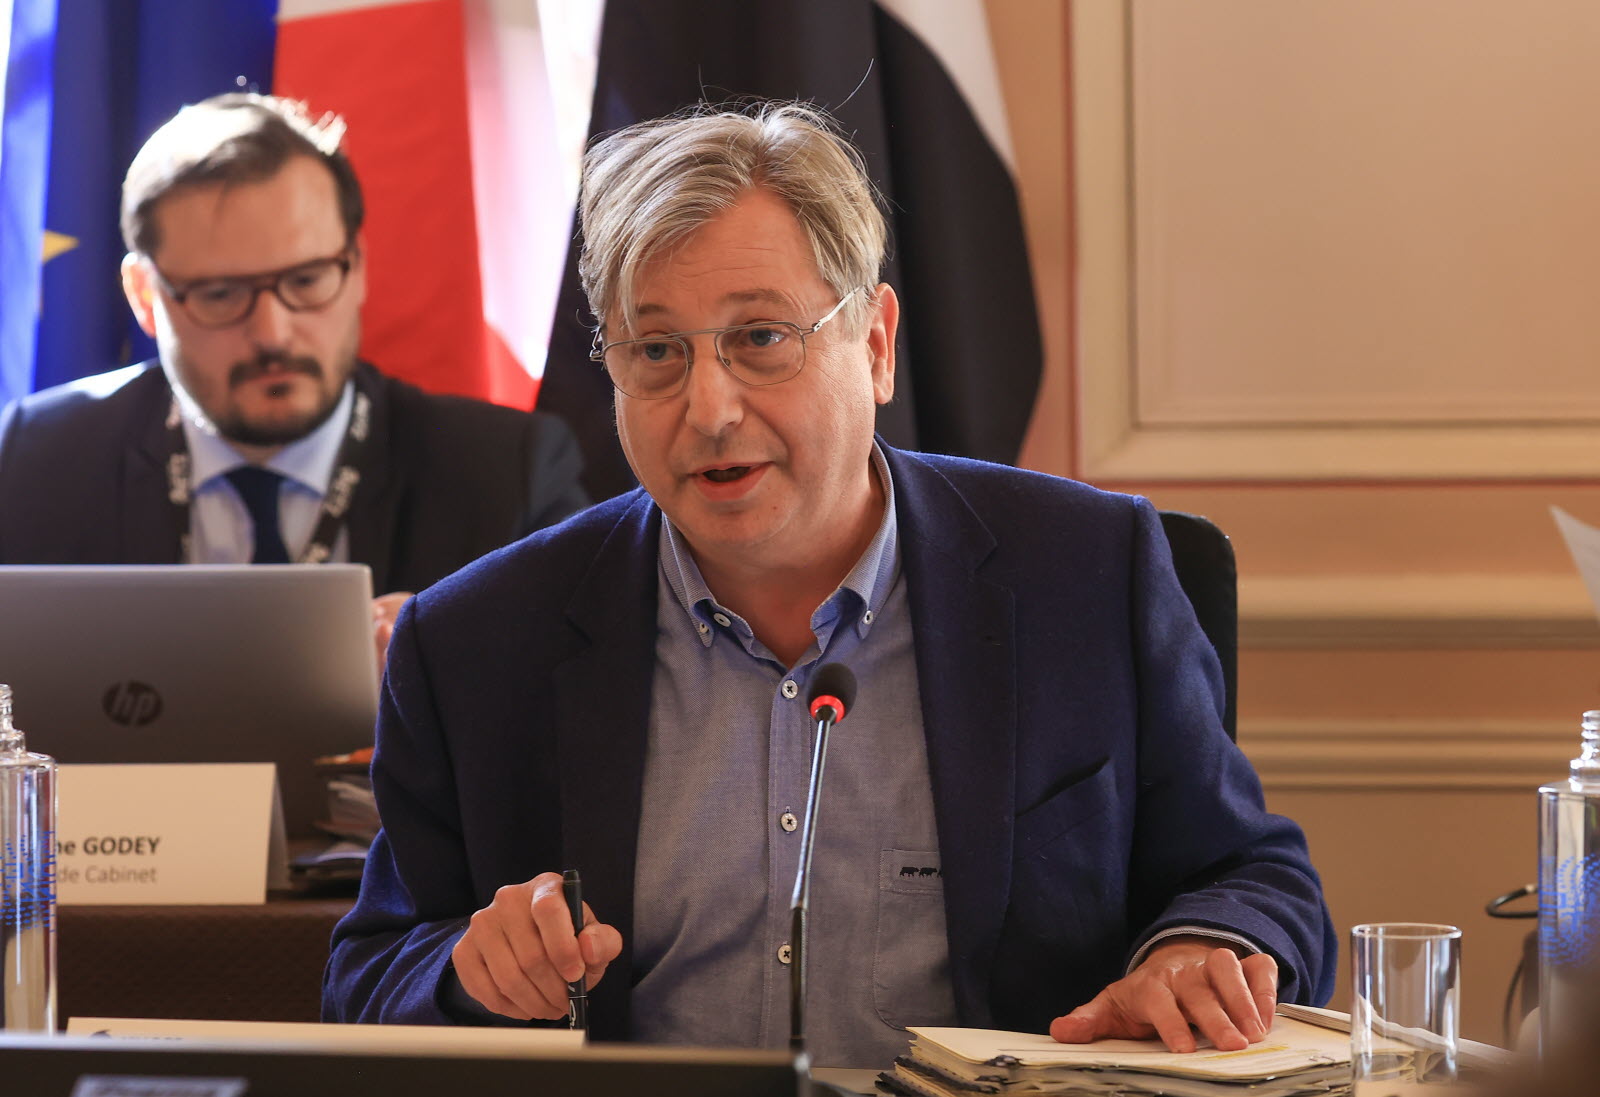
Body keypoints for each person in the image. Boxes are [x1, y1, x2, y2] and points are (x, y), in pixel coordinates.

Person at [323, 101, 1335, 1068]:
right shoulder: (477, 640)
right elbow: (367, 974)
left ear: (877, 345)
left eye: (761, 337)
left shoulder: (1085, 573)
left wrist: (1195, 951)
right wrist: (466, 973)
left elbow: (1251, 875)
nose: (708, 409)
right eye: (657, 351)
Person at [0, 94, 588, 663]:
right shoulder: (32, 462)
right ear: (145, 296)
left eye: (306, 281)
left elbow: (588, 692)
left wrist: (461, 670)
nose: (273, 334)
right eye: (221, 294)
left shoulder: (506, 477)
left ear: (357, 267)